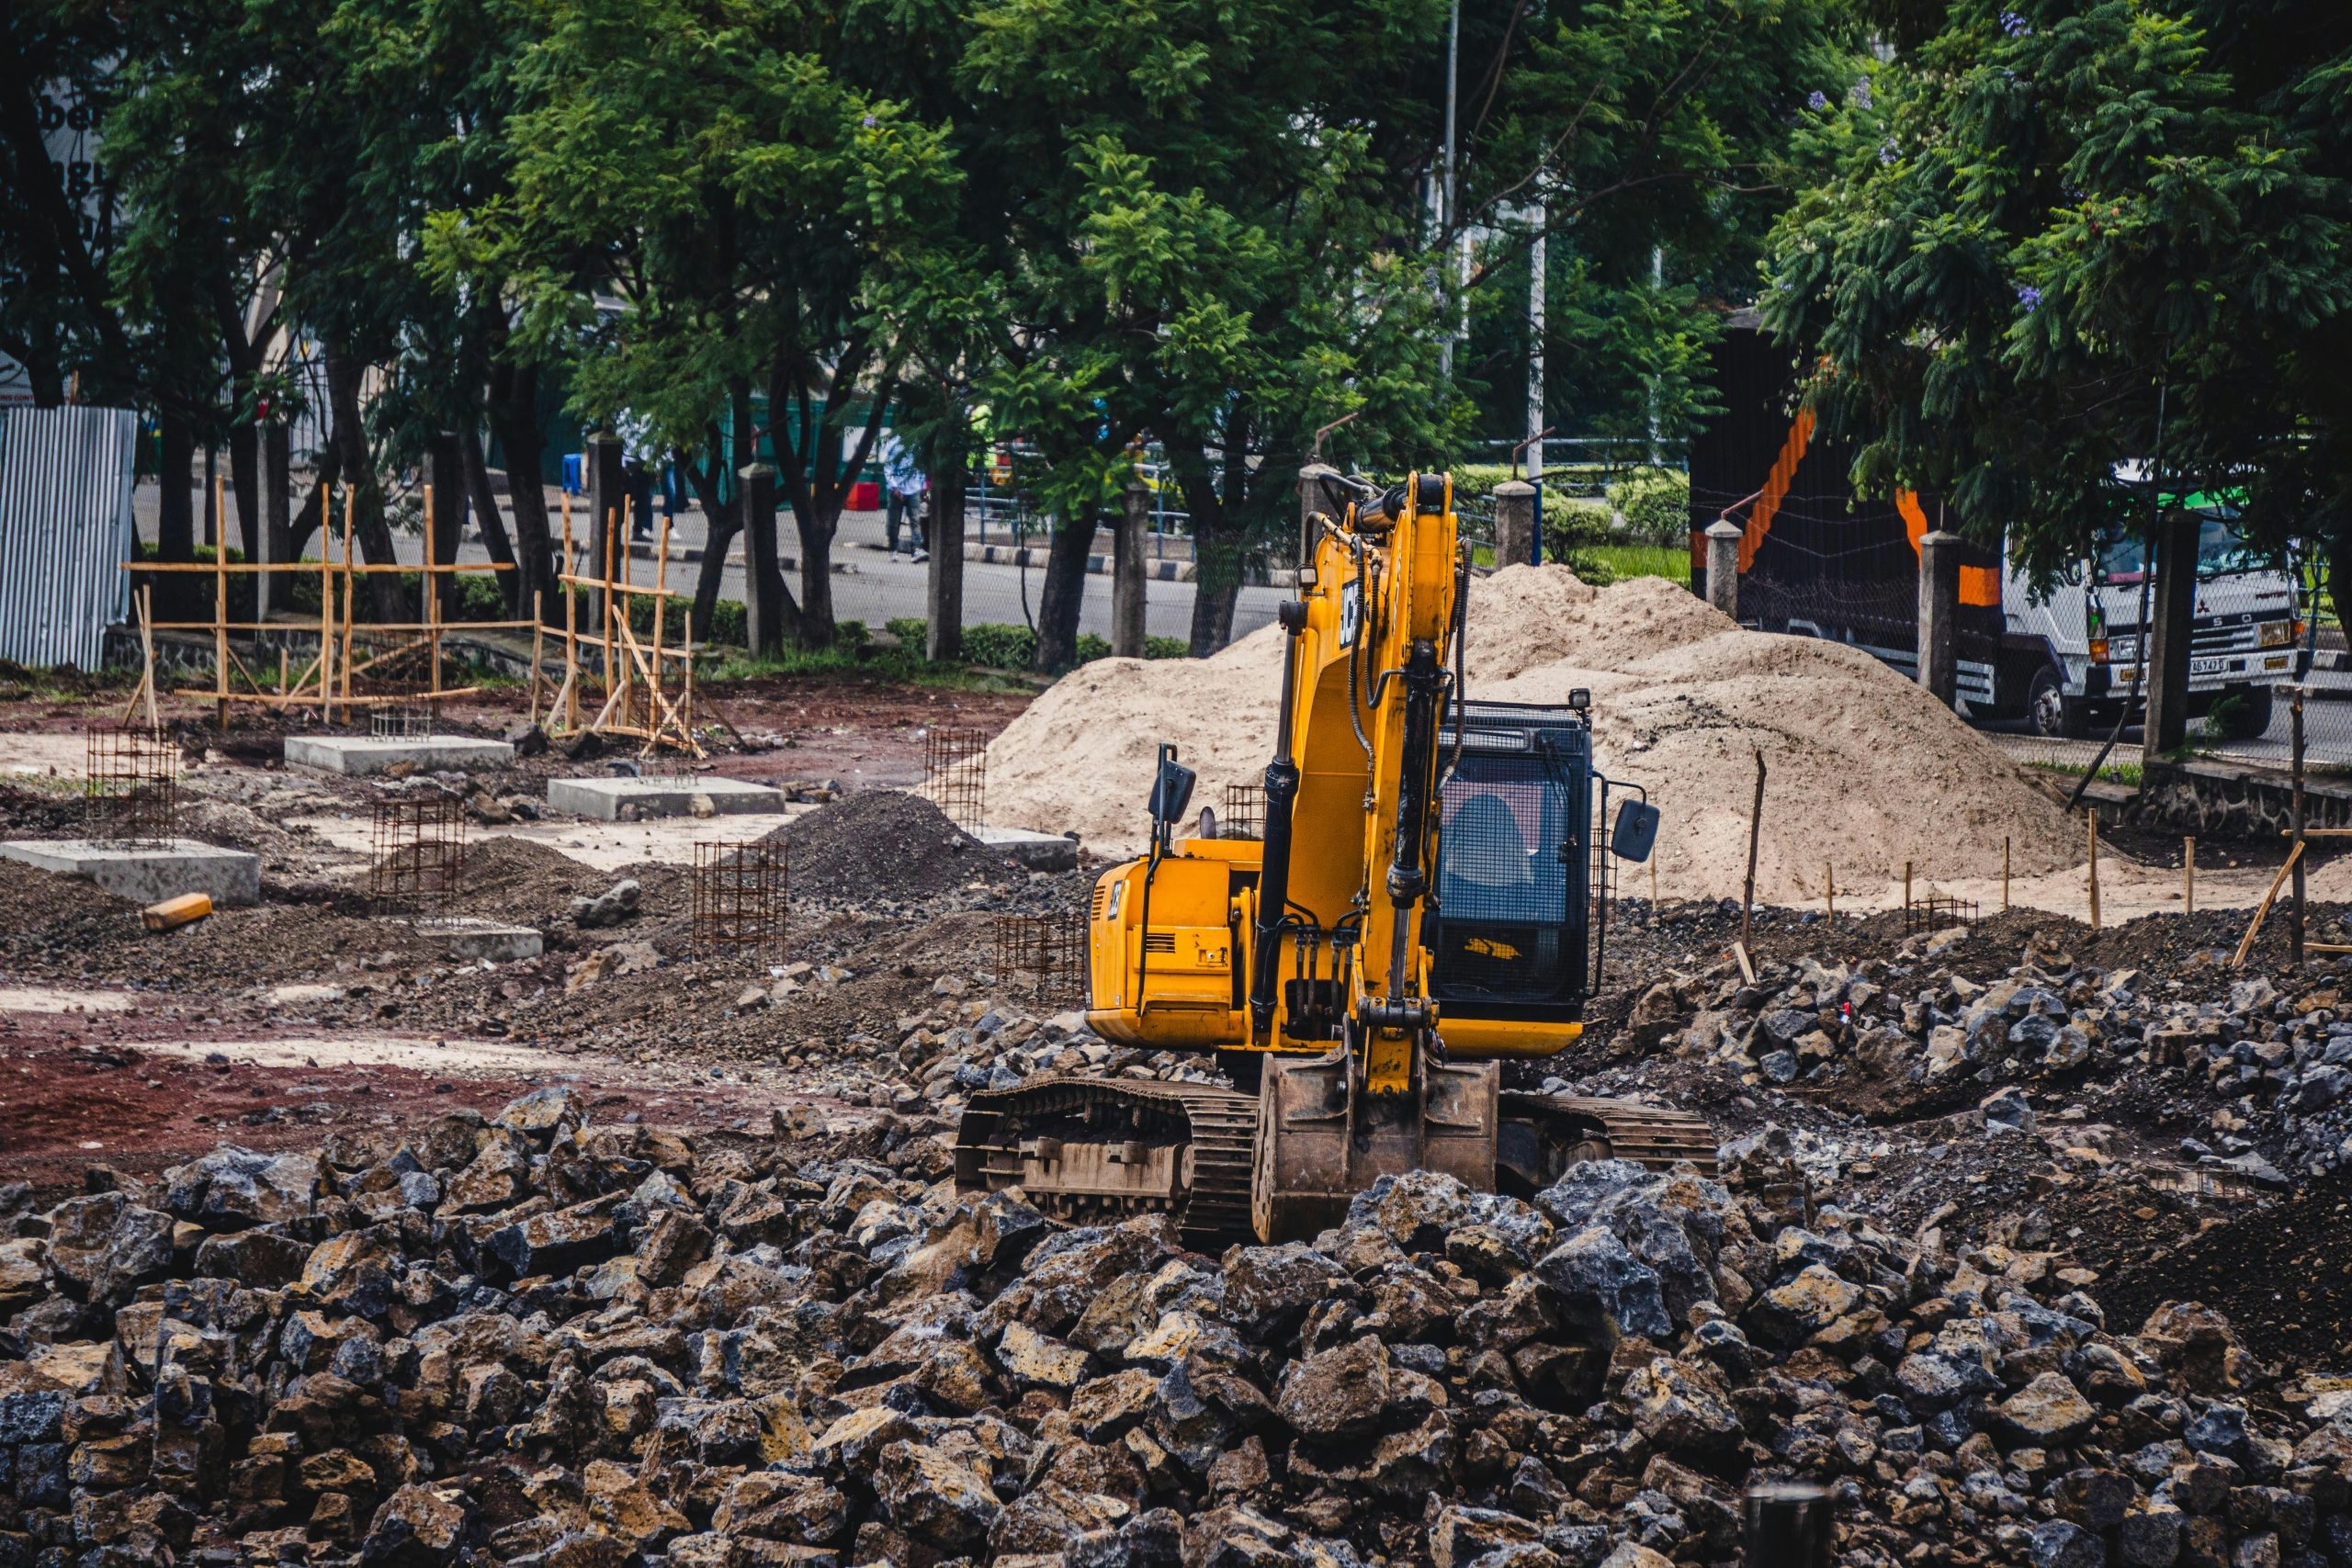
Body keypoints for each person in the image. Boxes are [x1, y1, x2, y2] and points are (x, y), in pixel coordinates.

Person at [880, 429, 929, 562]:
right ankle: (893, 550)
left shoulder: (918, 445)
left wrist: (923, 487)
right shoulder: (895, 445)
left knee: (915, 520)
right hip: (897, 489)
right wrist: (894, 487)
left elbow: (921, 467)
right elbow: (888, 467)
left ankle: (916, 549)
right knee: (894, 522)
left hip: (913, 489)